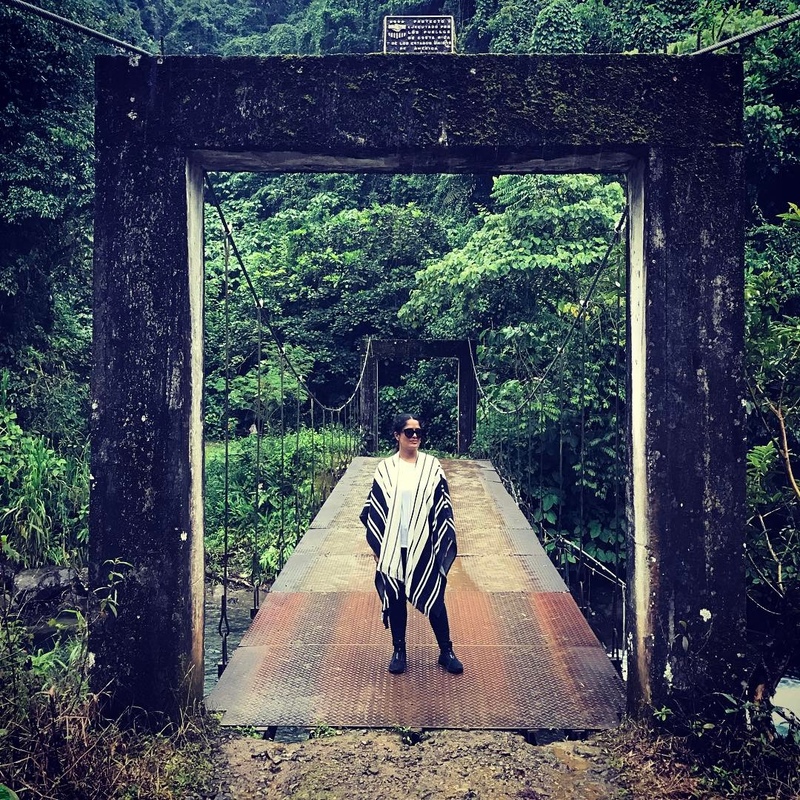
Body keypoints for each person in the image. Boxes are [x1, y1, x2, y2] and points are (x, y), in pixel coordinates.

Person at [360, 413, 463, 675]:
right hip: (395, 543)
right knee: (395, 597)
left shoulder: (431, 466)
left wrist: (442, 541)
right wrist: (378, 547)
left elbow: (442, 506)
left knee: (435, 595)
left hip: (424, 542)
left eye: (418, 431)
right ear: (397, 436)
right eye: (409, 432)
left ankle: (446, 651)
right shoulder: (385, 468)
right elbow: (375, 509)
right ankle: (399, 650)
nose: (415, 436)